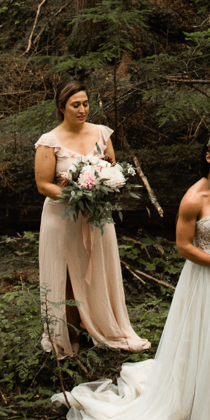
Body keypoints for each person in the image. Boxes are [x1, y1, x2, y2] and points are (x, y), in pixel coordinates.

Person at [55, 135, 210, 420]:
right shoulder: (194, 198)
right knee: (209, 336)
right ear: (208, 158)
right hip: (206, 276)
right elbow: (184, 246)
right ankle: (208, 401)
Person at [34, 79, 150, 357]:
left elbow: (112, 168)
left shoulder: (101, 133)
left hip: (96, 216)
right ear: (62, 107)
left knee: (98, 269)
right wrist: (73, 194)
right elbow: (43, 185)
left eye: (86, 104)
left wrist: (105, 186)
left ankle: (99, 324)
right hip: (61, 217)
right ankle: (70, 336)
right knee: (68, 275)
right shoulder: (49, 141)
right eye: (76, 105)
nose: (83, 109)